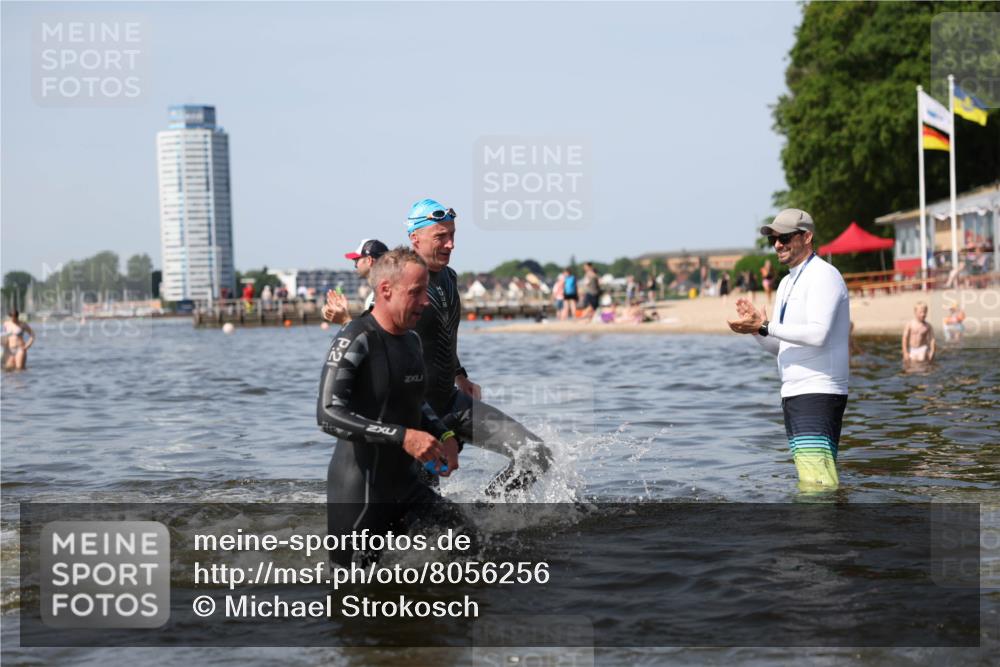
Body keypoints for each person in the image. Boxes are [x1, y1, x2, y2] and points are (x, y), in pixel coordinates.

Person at [318, 247, 462, 567]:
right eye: (417, 292)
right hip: (360, 495)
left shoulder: (411, 340)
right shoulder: (356, 338)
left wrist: (445, 434)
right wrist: (404, 437)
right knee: (357, 595)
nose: (426, 301)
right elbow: (328, 414)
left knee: (469, 544)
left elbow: (416, 402)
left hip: (406, 487)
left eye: (426, 290)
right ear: (385, 290)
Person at [727, 208, 850, 491]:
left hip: (819, 389)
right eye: (774, 240)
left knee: (817, 482)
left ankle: (820, 532)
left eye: (784, 238)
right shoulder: (785, 282)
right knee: (813, 479)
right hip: (794, 391)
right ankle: (821, 531)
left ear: (807, 237)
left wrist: (767, 324)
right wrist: (756, 329)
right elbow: (780, 346)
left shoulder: (823, 275)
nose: (778, 245)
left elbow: (818, 335)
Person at [323, 238, 390, 325]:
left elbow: (375, 336)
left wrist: (345, 320)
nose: (355, 265)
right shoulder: (383, 291)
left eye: (356, 260)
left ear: (369, 260)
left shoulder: (383, 295)